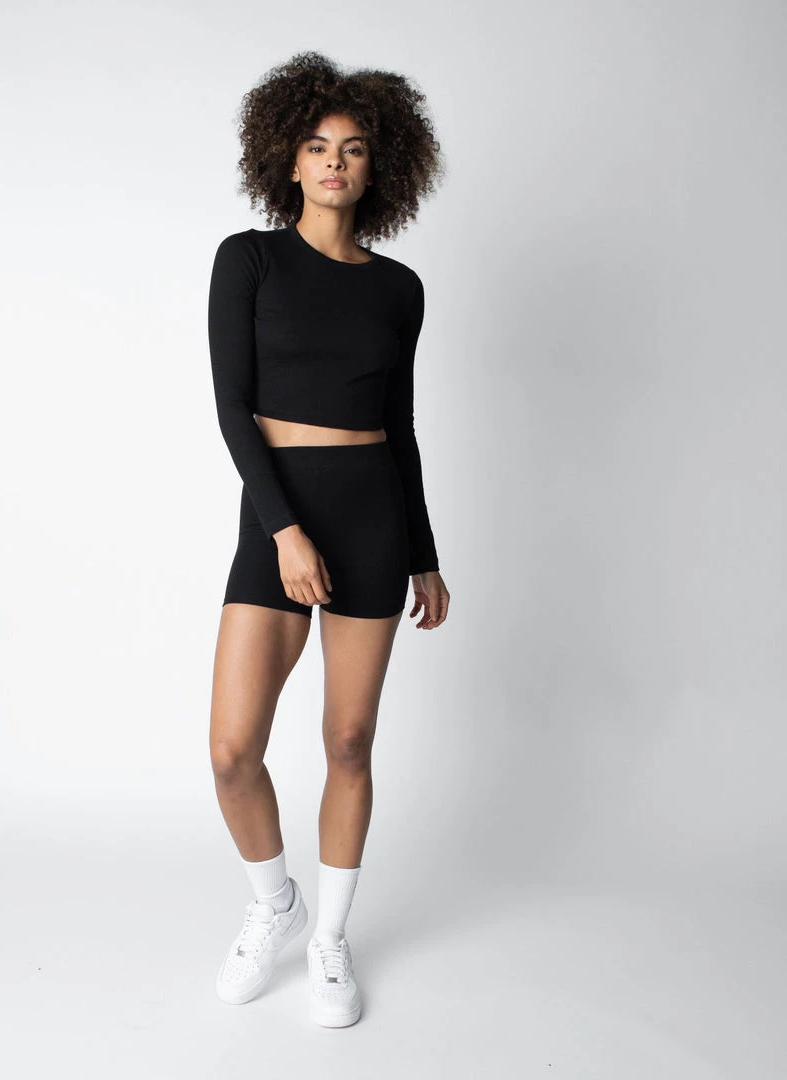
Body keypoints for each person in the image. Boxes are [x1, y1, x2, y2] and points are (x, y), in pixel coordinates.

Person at [207, 51, 451, 1028]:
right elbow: (233, 410)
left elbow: (401, 427)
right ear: (289, 158)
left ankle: (331, 941)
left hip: (373, 515)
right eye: (317, 146)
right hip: (280, 516)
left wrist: (423, 552)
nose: (334, 162)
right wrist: (285, 530)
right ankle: (276, 905)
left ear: (379, 165)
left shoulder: (400, 288)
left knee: (349, 739)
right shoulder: (249, 261)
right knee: (233, 750)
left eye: (352, 148)